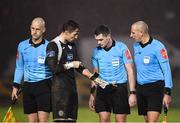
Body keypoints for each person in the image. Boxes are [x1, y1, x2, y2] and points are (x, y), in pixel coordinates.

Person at [46, 20, 108, 122]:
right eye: (75, 34)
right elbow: (53, 68)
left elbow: (79, 66)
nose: (76, 37)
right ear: (66, 32)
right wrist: (71, 64)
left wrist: (98, 80)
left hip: (72, 92)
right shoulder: (53, 45)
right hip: (59, 93)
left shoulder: (72, 45)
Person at [88, 25, 137, 122]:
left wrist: (132, 93)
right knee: (104, 119)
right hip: (103, 88)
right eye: (97, 40)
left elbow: (130, 71)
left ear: (108, 36)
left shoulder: (122, 47)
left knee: (120, 120)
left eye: (101, 39)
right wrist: (92, 94)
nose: (98, 42)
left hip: (119, 88)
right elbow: (95, 73)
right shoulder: (96, 52)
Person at [130, 21, 173, 122]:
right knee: (147, 121)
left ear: (141, 32)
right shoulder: (136, 46)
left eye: (133, 33)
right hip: (141, 89)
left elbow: (166, 69)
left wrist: (167, 93)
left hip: (155, 88)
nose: (130, 35)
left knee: (152, 121)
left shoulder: (158, 47)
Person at [11, 17, 52, 122]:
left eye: (38, 29)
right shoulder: (22, 45)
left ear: (44, 29)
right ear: (30, 28)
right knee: (32, 121)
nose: (34, 31)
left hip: (44, 85)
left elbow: (54, 68)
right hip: (28, 86)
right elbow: (19, 67)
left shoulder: (50, 46)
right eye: (33, 28)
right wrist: (15, 86)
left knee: (42, 121)